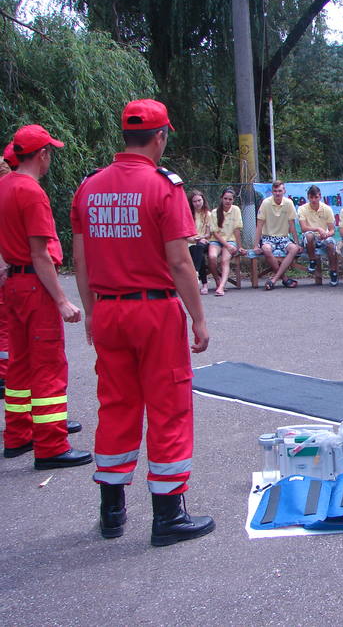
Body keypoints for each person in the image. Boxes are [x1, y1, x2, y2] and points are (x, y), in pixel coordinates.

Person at [71, 98, 213, 545]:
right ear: (161, 136)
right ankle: (168, 516)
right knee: (168, 406)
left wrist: (91, 311)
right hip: (153, 310)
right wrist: (199, 319)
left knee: (116, 405)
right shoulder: (164, 188)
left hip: (109, 309)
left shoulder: (89, 188)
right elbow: (180, 263)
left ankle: (112, 512)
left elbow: (79, 258)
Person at [0, 125, 90, 467]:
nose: (50, 157)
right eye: (50, 151)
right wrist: (62, 300)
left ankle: (18, 435)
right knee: (48, 365)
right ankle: (52, 445)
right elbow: (40, 254)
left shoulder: (5, 185)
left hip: (14, 286)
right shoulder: (31, 192)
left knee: (20, 365)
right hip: (35, 285)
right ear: (41, 155)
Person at [255, 180, 301, 291]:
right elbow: (259, 226)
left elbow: (292, 226)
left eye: (280, 191)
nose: (277, 193)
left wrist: (297, 242)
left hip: (284, 238)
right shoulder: (265, 203)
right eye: (275, 191)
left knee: (294, 249)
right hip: (268, 237)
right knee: (266, 249)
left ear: (284, 191)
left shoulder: (289, 203)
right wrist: (256, 245)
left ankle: (274, 279)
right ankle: (284, 278)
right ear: (272, 192)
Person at [297, 184, 339, 286]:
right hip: (308, 239)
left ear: (320, 196)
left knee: (331, 244)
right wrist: (318, 229)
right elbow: (303, 228)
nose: (314, 200)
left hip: (322, 237)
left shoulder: (327, 209)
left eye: (316, 197)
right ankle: (312, 260)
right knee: (309, 235)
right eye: (311, 197)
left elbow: (332, 230)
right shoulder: (302, 209)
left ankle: (333, 272)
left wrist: (326, 234)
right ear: (308, 197)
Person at [208, 187, 243, 296]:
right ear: (221, 198)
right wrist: (226, 245)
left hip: (231, 240)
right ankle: (217, 280)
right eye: (225, 198)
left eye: (230, 199)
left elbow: (237, 230)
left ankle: (221, 287)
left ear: (233, 200)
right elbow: (215, 233)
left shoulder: (236, 210)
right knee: (212, 257)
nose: (227, 201)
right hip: (217, 241)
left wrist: (239, 246)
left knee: (224, 260)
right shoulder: (214, 212)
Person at [186, 190, 211, 294]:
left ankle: (195, 273)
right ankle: (204, 284)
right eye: (195, 201)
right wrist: (193, 239)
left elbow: (209, 234)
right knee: (197, 251)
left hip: (204, 241)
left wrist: (201, 238)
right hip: (190, 242)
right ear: (191, 203)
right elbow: (185, 234)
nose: (197, 203)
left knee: (199, 247)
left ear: (203, 200)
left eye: (199, 200)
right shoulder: (187, 215)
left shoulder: (208, 214)